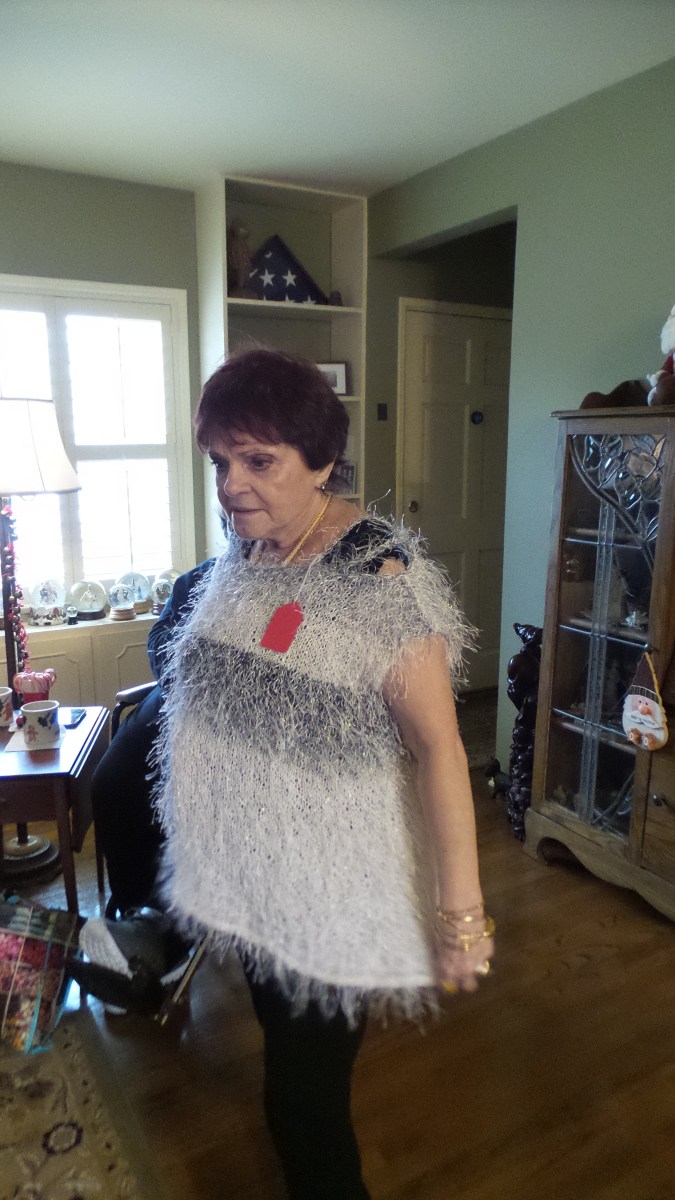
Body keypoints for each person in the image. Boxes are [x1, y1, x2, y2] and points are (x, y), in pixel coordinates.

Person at [84, 348, 494, 1200]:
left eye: (257, 461)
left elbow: (440, 749)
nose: (230, 485)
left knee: (303, 1109)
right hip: (251, 877)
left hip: (330, 890)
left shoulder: (377, 577)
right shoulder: (253, 549)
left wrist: (461, 917)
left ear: (322, 459)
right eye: (219, 462)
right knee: (284, 1057)